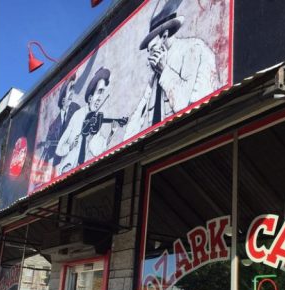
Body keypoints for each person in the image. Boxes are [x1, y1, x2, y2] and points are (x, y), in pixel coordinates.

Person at [124, 0, 220, 141]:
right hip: (155, 152)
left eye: (153, 48)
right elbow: (130, 134)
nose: (150, 57)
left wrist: (165, 72)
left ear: (164, 36)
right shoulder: (154, 77)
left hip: (196, 141)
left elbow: (189, 109)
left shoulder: (194, 49)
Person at [56, 67, 128, 174]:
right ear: (90, 97)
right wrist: (70, 147)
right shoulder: (77, 116)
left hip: (83, 173)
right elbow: (58, 149)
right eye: (99, 92)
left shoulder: (95, 121)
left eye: (103, 93)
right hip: (67, 170)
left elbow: (97, 150)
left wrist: (111, 133)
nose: (100, 98)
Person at [34, 76, 82, 183]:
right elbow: (50, 155)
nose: (73, 93)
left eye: (74, 88)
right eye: (71, 89)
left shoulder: (76, 109)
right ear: (63, 98)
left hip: (75, 162)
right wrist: (48, 147)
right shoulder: (53, 126)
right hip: (59, 171)